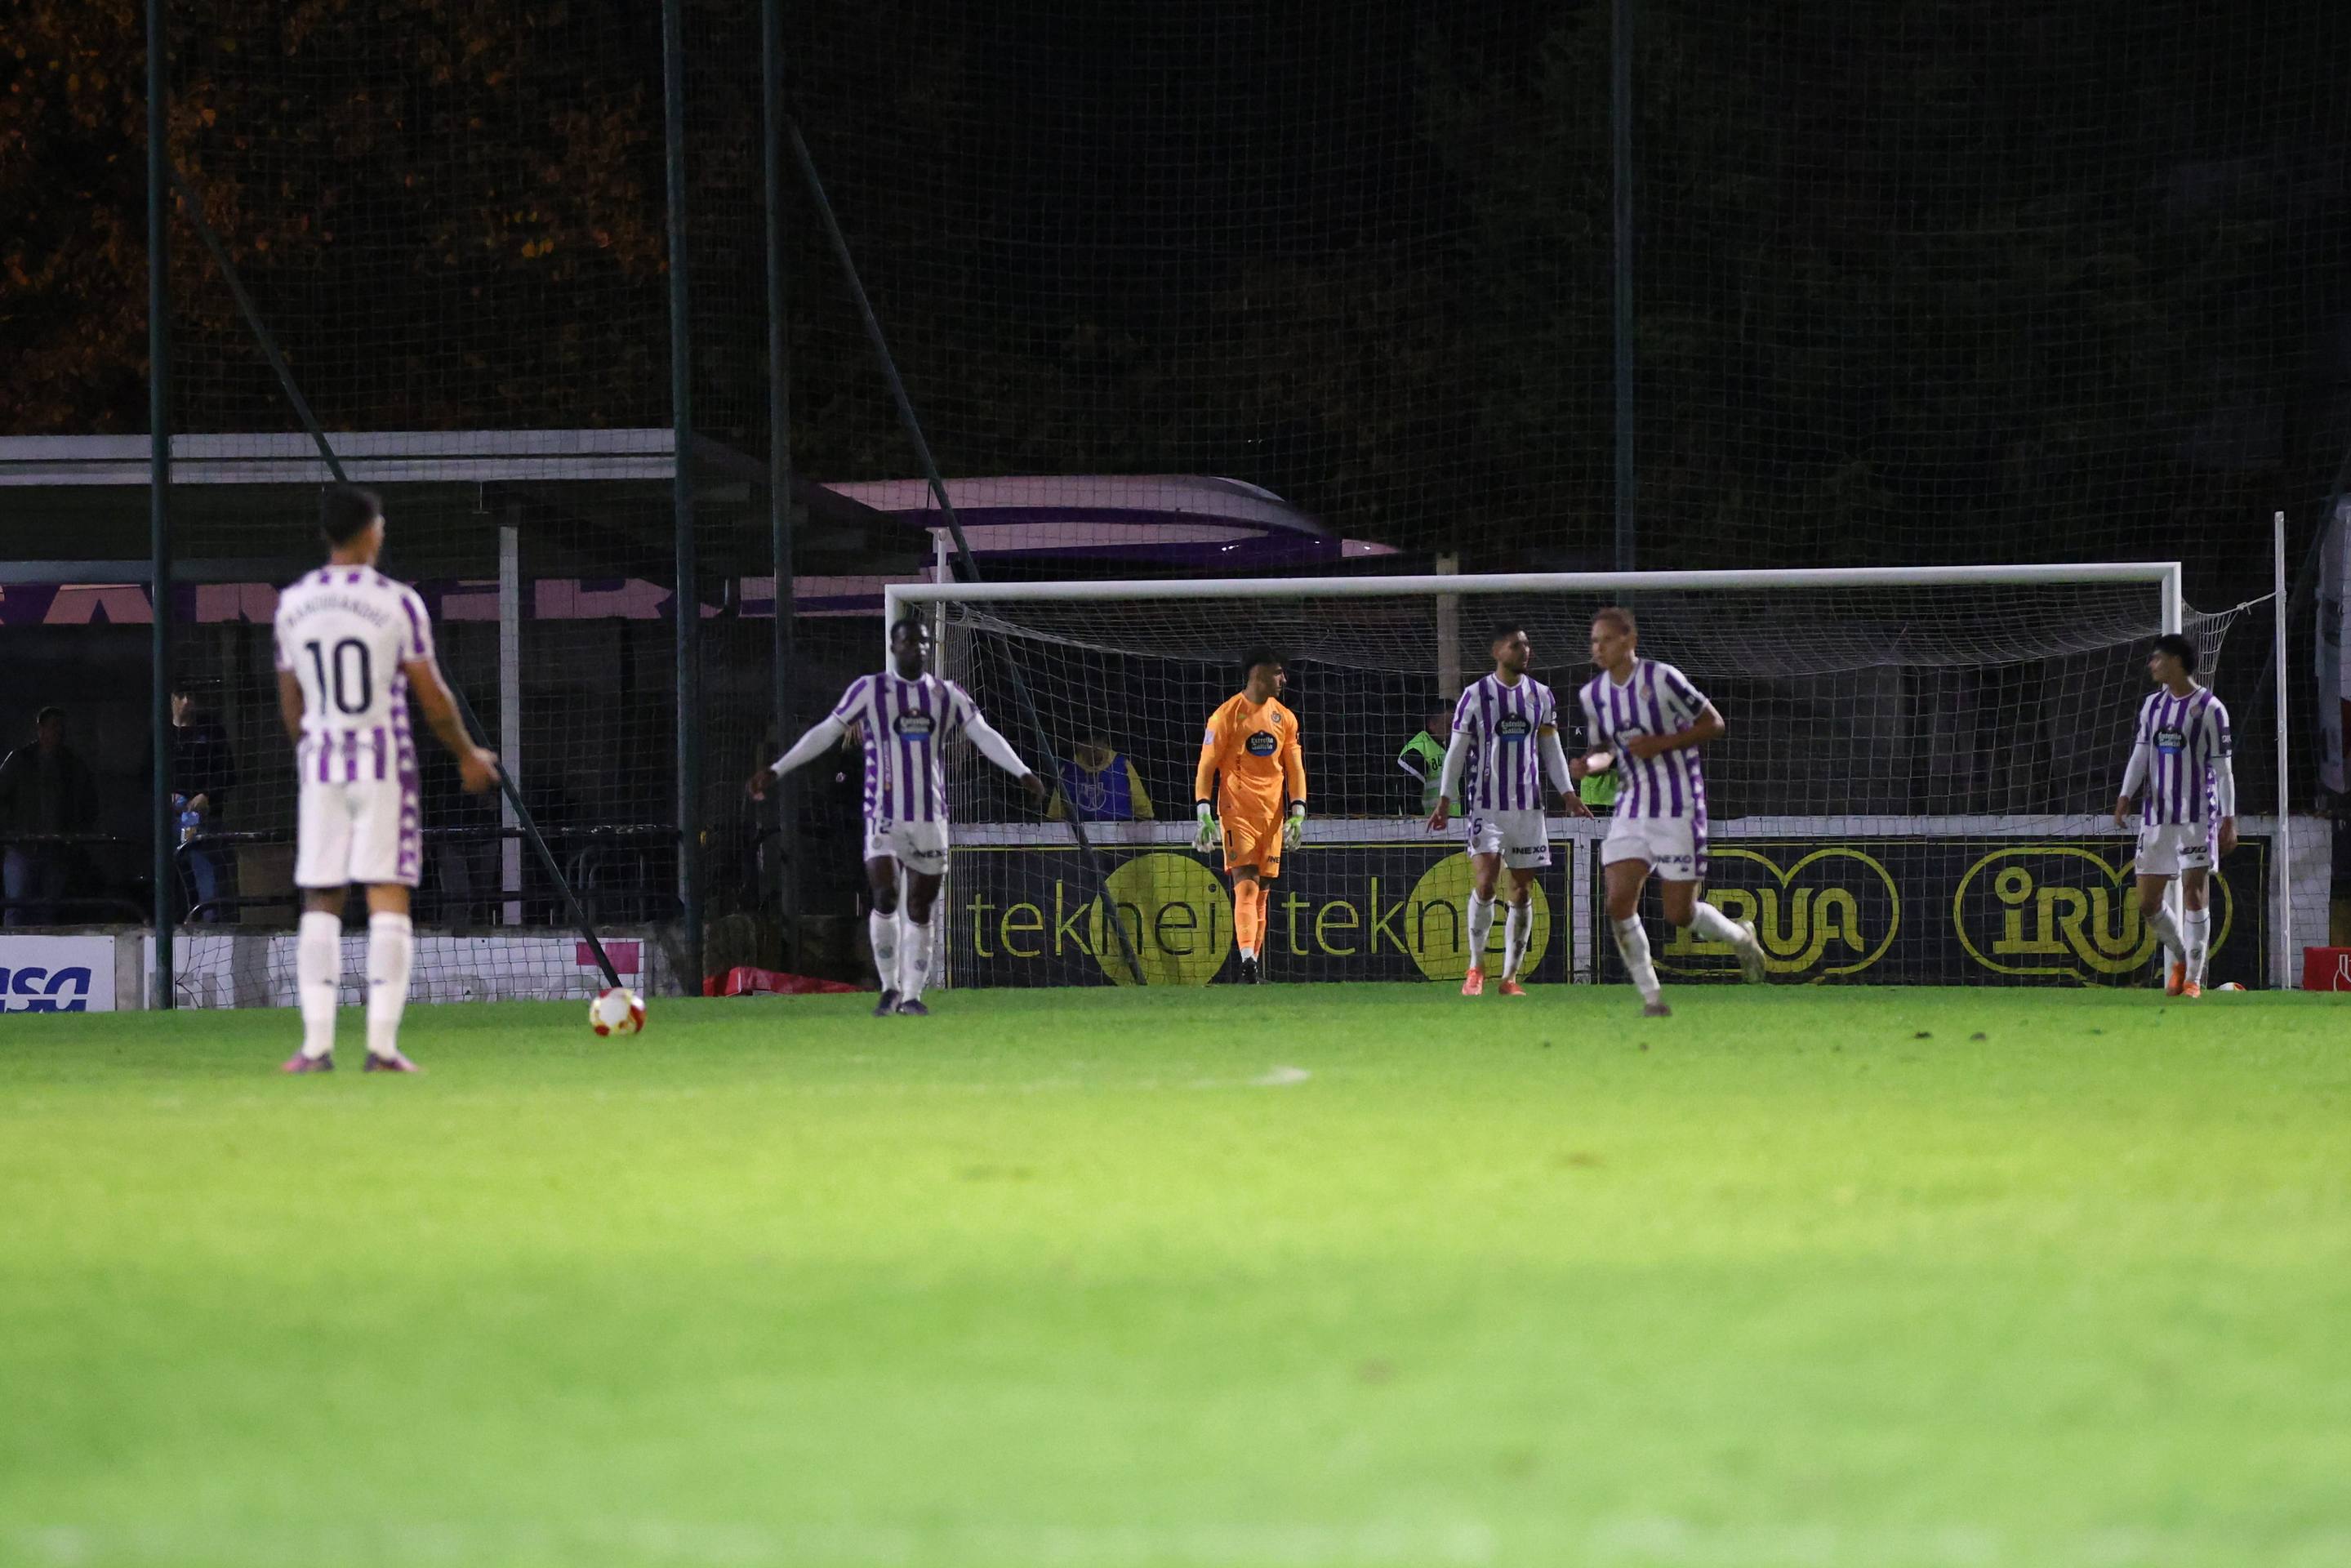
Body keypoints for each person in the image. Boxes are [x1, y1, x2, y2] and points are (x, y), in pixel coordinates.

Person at [274, 484, 500, 1073]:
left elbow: (291, 700)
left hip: (321, 764)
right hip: (382, 765)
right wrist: (466, 754)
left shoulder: (294, 603)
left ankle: (315, 1048)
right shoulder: (398, 602)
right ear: (371, 532)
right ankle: (380, 1047)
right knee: (387, 893)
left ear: (326, 533)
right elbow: (433, 695)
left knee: (321, 896)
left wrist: (312, 752)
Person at [749, 617, 1047, 1016]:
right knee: (885, 895)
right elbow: (826, 731)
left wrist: (1022, 772)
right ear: (893, 647)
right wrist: (776, 769)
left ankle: (912, 996)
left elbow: (983, 734)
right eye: (908, 642)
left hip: (929, 817)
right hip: (883, 814)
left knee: (920, 908)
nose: (916, 648)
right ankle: (889, 987)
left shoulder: (947, 694)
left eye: (922, 642)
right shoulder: (869, 690)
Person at [1574, 607, 1765, 1016]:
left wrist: (1660, 743)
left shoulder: (1662, 679)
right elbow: (1606, 751)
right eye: (1594, 641)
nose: (1598, 648)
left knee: (1680, 913)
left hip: (1679, 805)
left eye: (1606, 640)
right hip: (1631, 807)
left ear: (1629, 641)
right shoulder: (1593, 695)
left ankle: (1740, 938)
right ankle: (1653, 998)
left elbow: (1714, 723)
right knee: (1618, 903)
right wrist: (1588, 765)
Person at [1428, 626, 1587, 996]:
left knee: (1522, 890)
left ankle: (1510, 978)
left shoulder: (1541, 695)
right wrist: (1446, 798)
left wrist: (1568, 793)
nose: (1525, 650)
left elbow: (1551, 749)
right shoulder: (1475, 695)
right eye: (1517, 645)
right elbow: (1456, 751)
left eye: (1527, 644)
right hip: (1486, 805)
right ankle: (1476, 967)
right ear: (1497, 651)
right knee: (1486, 883)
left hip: (1528, 807)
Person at [2113, 632, 2234, 999]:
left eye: (2158, 658)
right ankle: (2184, 957)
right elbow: (2141, 753)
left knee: (2194, 893)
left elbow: (2224, 770)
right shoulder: (2152, 706)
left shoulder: (2211, 709)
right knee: (2147, 902)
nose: (2152, 664)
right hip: (2156, 815)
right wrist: (2125, 795)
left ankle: (2194, 980)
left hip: (2197, 815)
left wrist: (2229, 818)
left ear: (2177, 662)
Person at [1193, 649, 1308, 984]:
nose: (1283, 679)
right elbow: (1207, 765)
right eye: (1277, 672)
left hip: (1272, 816)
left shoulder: (1285, 718)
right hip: (1237, 811)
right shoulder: (1226, 716)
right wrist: (1204, 812)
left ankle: (1251, 967)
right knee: (1246, 884)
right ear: (1258, 674)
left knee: (1263, 891)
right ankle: (1247, 960)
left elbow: (1295, 767)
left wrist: (1298, 812)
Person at [0, 706, 98, 926]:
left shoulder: (71, 764)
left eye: (61, 727)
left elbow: (87, 802)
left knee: (47, 910)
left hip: (55, 849)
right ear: (40, 729)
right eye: (54, 726)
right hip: (22, 847)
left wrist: (74, 835)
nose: (58, 732)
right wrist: (10, 832)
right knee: (16, 906)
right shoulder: (20, 760)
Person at [168, 682, 239, 920]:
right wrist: (168, 795)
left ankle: (210, 927)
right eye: (182, 695)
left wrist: (206, 795)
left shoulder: (211, 731)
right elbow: (147, 776)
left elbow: (228, 772)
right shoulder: (162, 733)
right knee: (178, 875)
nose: (187, 702)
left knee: (207, 874)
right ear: (172, 698)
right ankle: (179, 923)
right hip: (172, 820)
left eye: (191, 696)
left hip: (206, 819)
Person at [1047, 736, 1155, 822]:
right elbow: (1056, 815)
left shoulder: (1122, 765)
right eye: (1088, 743)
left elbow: (1143, 810)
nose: (1093, 747)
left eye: (1097, 741)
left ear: (1105, 743)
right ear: (1078, 746)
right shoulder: (1068, 770)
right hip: (1080, 836)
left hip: (1120, 834)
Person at [1396, 706, 1461, 819]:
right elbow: (1409, 799)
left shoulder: (1441, 747)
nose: (1451, 728)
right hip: (1428, 824)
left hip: (1449, 823)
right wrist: (1418, 826)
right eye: (1447, 724)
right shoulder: (1417, 750)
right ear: (1432, 725)